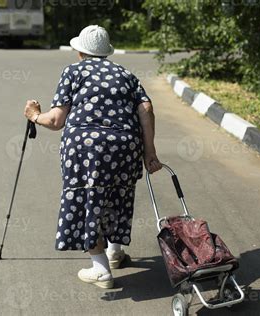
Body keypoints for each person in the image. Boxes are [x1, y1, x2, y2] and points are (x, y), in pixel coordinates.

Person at [23, 25, 161, 289]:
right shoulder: (126, 74)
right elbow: (146, 108)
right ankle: (114, 252)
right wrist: (150, 152)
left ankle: (101, 269)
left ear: (79, 51)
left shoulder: (73, 71)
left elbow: (55, 120)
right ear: (105, 52)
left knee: (88, 199)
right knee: (117, 194)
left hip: (86, 148)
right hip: (126, 145)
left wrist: (33, 116)